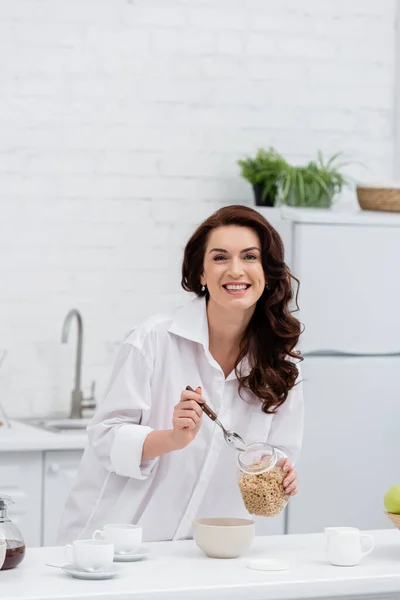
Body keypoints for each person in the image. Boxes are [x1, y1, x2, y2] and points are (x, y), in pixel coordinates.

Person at [57, 205, 304, 544]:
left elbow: (280, 450)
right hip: (114, 543)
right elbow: (105, 438)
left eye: (250, 257)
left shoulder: (282, 361)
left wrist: (280, 474)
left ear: (267, 271)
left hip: (204, 550)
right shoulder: (153, 340)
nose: (236, 270)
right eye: (220, 258)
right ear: (201, 273)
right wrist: (172, 439)